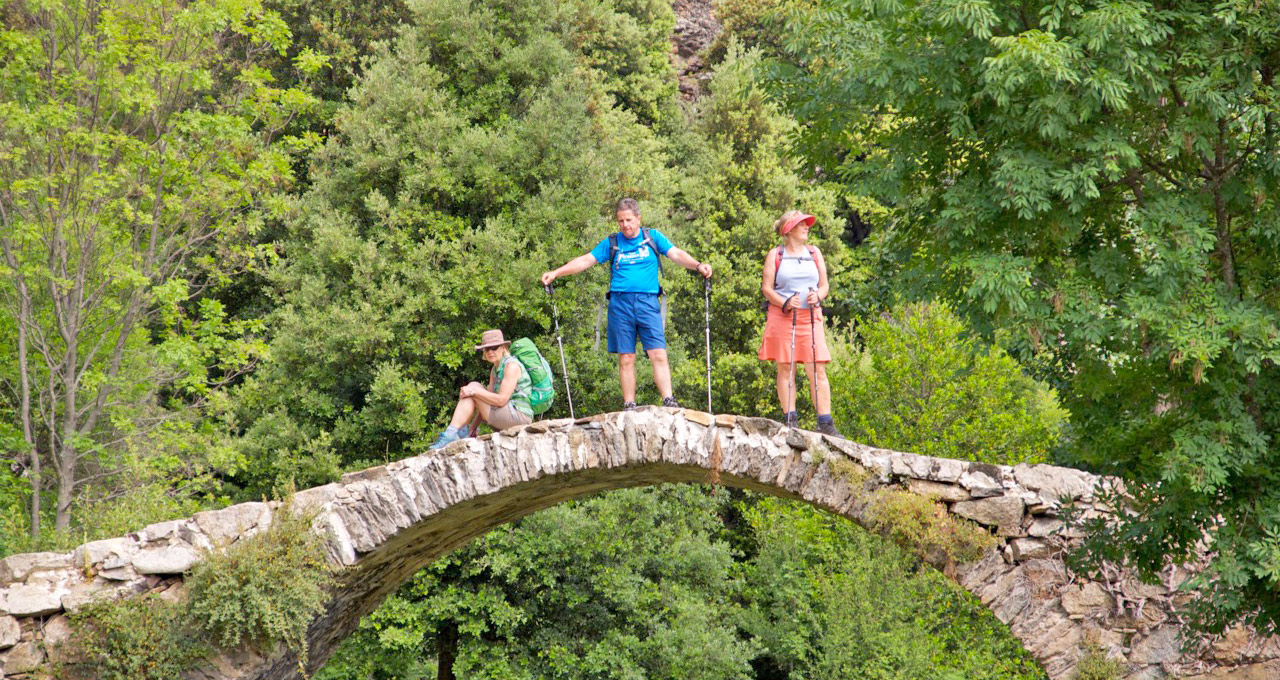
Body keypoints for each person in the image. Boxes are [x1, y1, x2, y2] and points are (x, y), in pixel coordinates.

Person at [540, 198, 712, 411]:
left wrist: (697, 265)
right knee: (626, 356)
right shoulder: (612, 243)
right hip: (620, 303)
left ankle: (668, 399)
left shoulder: (653, 237)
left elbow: (675, 253)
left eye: (629, 220)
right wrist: (556, 272)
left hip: (648, 302)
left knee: (658, 352)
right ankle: (629, 403)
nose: (625, 225)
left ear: (638, 218)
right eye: (621, 221)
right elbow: (586, 260)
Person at [759, 210, 841, 436]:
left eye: (806, 224)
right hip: (783, 317)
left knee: (818, 368)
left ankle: (826, 423)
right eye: (801, 224)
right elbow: (767, 289)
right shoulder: (775, 254)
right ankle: (790, 421)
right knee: (786, 366)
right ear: (789, 230)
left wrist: (819, 295)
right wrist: (784, 301)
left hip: (810, 318)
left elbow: (824, 285)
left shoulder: (815, 253)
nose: (807, 227)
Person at [429, 329, 533, 449]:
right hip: (504, 416)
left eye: (494, 347)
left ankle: (451, 434)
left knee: (474, 388)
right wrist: (473, 429)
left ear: (503, 347)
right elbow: (486, 401)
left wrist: (474, 391)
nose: (490, 351)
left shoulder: (511, 366)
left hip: (518, 417)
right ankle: (459, 432)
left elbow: (501, 400)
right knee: (474, 386)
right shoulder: (495, 369)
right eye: (486, 348)